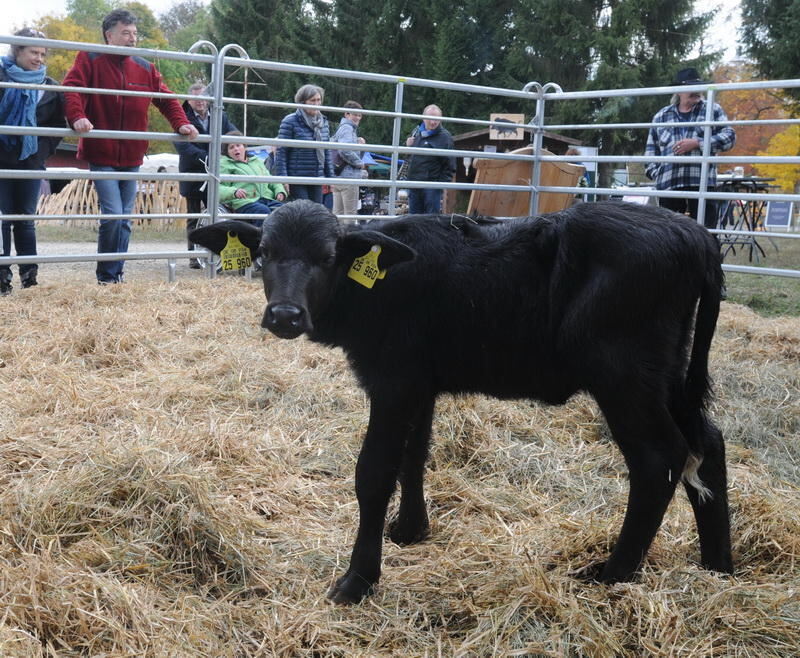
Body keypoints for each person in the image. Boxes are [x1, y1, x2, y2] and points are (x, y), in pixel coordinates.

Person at [62, 9, 199, 284]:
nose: (132, 39)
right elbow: (71, 88)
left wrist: (181, 123)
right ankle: (106, 275)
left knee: (124, 218)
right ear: (108, 35)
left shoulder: (144, 67)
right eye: (125, 33)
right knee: (113, 215)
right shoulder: (89, 58)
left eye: (135, 33)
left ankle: (115, 276)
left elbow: (167, 98)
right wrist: (77, 117)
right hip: (101, 152)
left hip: (133, 154)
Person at [0, 28, 65, 295]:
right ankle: (2, 277)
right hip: (1, 158)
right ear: (17, 51)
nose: (38, 58)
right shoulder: (2, 78)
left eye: (42, 53)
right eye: (33, 52)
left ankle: (30, 277)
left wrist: (40, 151)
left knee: (26, 219)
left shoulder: (49, 87)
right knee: (3, 219)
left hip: (31, 161)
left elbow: (57, 125)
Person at [645, 67, 736, 228]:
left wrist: (697, 143)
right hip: (669, 184)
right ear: (679, 91)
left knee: (706, 233)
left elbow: (729, 137)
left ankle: (707, 254)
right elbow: (651, 152)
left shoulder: (712, 109)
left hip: (701, 182)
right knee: (670, 235)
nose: (697, 91)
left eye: (698, 87)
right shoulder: (661, 116)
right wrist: (658, 173)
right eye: (691, 87)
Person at [174, 81, 237, 268]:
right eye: (196, 98)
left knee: (217, 214)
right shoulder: (182, 117)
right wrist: (207, 157)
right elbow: (182, 145)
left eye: (203, 97)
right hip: (193, 172)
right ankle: (194, 257)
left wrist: (233, 151)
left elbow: (232, 134)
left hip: (217, 173)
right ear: (189, 100)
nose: (200, 102)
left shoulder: (220, 116)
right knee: (194, 216)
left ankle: (215, 255)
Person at [274, 84, 333, 204]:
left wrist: (331, 178)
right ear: (302, 102)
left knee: (316, 212)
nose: (317, 103)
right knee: (303, 212)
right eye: (312, 100)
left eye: (318, 100)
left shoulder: (324, 123)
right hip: (297, 178)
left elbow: (327, 151)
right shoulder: (290, 121)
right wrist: (283, 179)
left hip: (317, 177)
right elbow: (281, 152)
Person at [219, 131, 286, 227]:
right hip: (244, 202)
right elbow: (219, 188)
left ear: (244, 147)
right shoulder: (225, 165)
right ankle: (261, 240)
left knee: (285, 210)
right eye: (231, 147)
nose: (236, 149)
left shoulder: (256, 161)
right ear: (227, 152)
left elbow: (270, 178)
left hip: (266, 198)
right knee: (262, 212)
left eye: (238, 145)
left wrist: (279, 191)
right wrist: (234, 192)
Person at [404, 104, 456, 214]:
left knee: (430, 220)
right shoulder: (417, 134)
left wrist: (439, 186)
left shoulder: (445, 137)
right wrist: (408, 147)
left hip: (431, 186)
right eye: (430, 119)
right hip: (414, 184)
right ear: (423, 118)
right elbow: (409, 159)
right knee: (413, 220)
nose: (433, 122)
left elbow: (450, 165)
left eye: (436, 119)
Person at [331, 100, 367, 217]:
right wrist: (359, 163)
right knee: (350, 214)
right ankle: (349, 235)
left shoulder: (341, 128)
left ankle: (338, 235)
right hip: (349, 177)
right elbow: (344, 150)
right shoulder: (347, 128)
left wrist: (359, 146)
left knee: (338, 214)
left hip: (339, 176)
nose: (357, 118)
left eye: (359, 115)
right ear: (346, 114)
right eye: (354, 114)